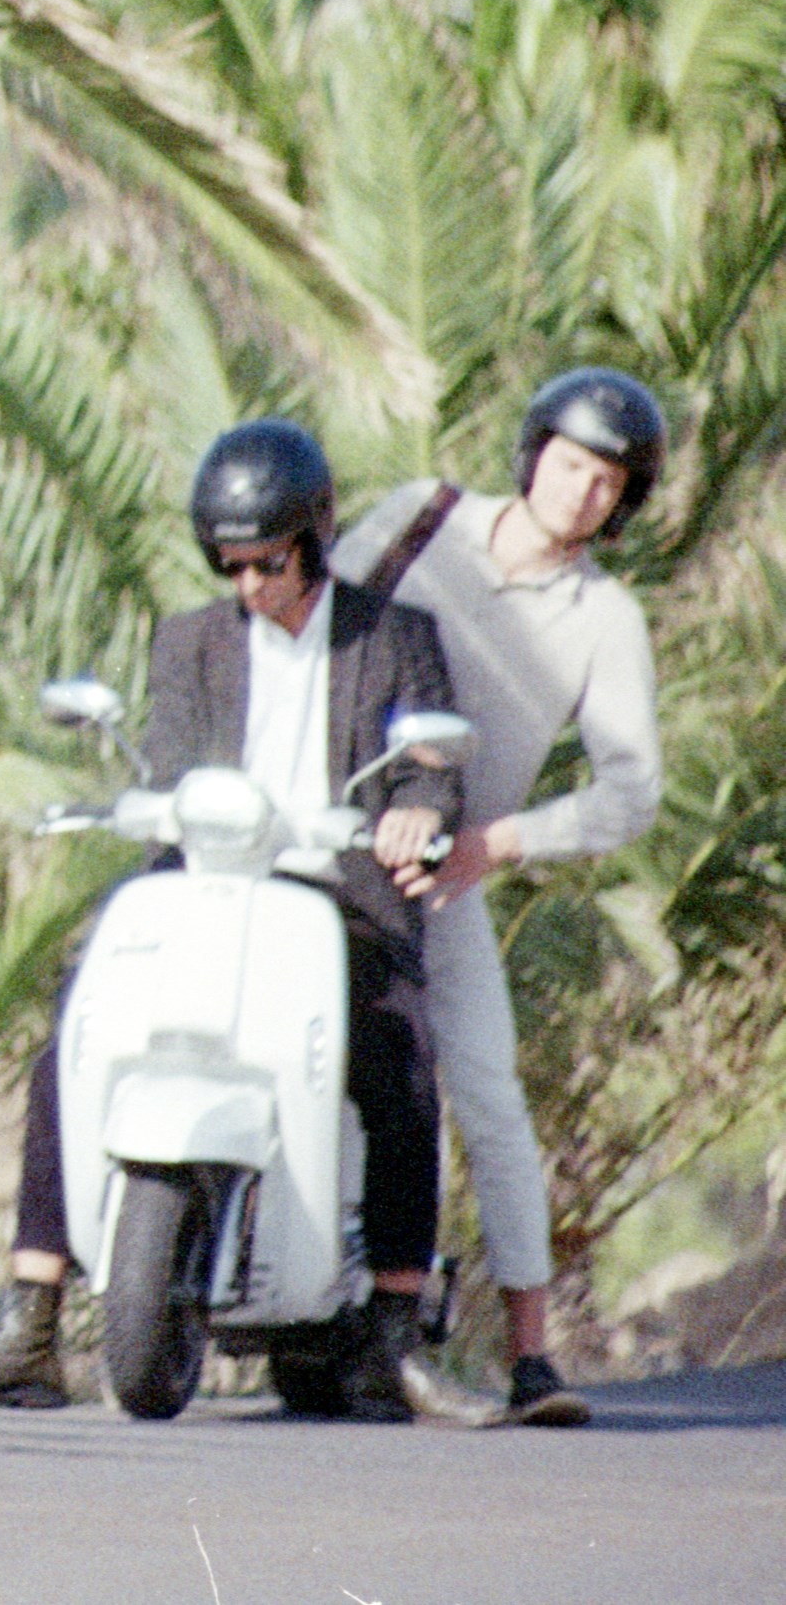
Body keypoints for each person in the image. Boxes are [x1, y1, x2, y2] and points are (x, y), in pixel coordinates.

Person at [0, 418, 463, 1421]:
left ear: (315, 537)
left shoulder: (393, 636)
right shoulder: (190, 642)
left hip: (338, 902)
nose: (248, 584)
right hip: (210, 883)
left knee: (401, 1053)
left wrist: (417, 810)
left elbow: (427, 765)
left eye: (268, 561)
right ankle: (33, 1316)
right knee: (73, 1037)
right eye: (228, 564)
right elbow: (169, 768)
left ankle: (393, 1324)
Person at [328, 367, 668, 1427]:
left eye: (609, 483)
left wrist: (495, 845)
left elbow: (632, 792)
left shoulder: (604, 618)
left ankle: (530, 1354)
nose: (583, 493)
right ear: (531, 456)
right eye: (570, 466)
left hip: (442, 874)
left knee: (485, 1089)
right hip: (326, 840)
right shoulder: (423, 518)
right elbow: (315, 628)